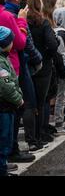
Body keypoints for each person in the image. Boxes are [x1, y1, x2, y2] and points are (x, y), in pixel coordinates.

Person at [4, 0, 41, 159]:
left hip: (12, 64)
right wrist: (21, 20)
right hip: (12, 65)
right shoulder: (8, 15)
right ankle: (11, 151)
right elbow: (20, 42)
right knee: (14, 108)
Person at [27, 0, 59, 144]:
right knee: (41, 101)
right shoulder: (43, 22)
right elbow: (53, 44)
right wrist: (47, 55)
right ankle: (39, 134)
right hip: (43, 66)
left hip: (27, 64)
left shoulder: (22, 21)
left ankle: (31, 136)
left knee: (28, 103)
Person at [0, 27, 24, 177]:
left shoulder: (4, 58)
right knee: (3, 140)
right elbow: (5, 86)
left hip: (7, 107)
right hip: (4, 107)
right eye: (10, 42)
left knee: (6, 140)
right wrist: (18, 98)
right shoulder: (1, 62)